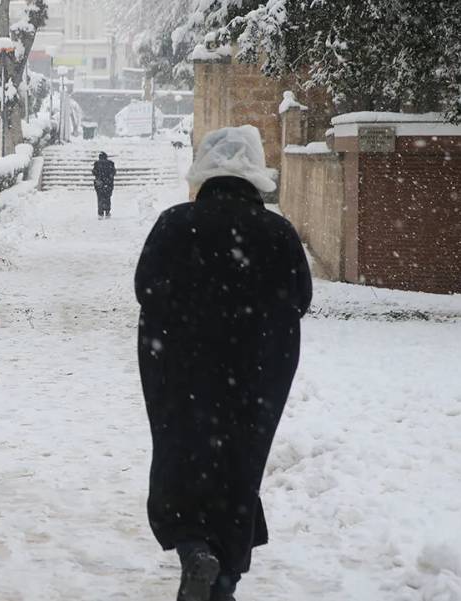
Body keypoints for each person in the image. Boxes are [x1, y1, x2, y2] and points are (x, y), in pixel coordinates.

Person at [134, 125, 312, 601]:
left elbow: (146, 288)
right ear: (255, 172)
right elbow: (300, 297)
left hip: (180, 368)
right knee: (239, 466)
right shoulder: (278, 232)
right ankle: (225, 581)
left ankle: (194, 548)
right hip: (257, 372)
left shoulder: (174, 224)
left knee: (180, 455)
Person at [92, 151, 116, 219]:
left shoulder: (97, 163)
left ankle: (100, 213)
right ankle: (107, 212)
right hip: (108, 183)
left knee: (100, 198)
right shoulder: (111, 163)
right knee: (107, 198)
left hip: (99, 183)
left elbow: (94, 172)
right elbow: (113, 172)